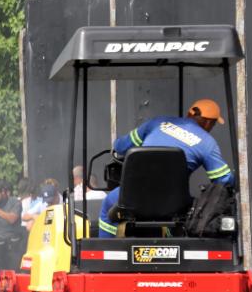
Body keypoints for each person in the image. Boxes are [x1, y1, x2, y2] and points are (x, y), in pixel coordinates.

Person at [99, 98, 233, 237]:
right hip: (174, 206)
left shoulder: (157, 122)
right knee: (189, 215)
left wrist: (118, 144)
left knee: (108, 204)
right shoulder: (207, 143)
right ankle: (173, 240)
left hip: (133, 198)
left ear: (189, 114)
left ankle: (105, 250)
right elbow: (224, 180)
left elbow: (121, 147)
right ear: (208, 122)